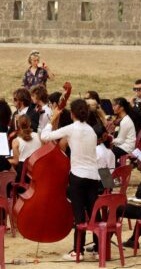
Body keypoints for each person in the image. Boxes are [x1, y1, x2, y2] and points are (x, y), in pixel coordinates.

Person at [43, 98, 99, 260]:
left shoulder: (72, 128)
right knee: (94, 213)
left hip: (78, 175)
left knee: (79, 214)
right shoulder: (91, 130)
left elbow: (45, 136)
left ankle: (78, 251)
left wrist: (52, 119)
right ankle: (97, 248)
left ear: (72, 113)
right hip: (93, 176)